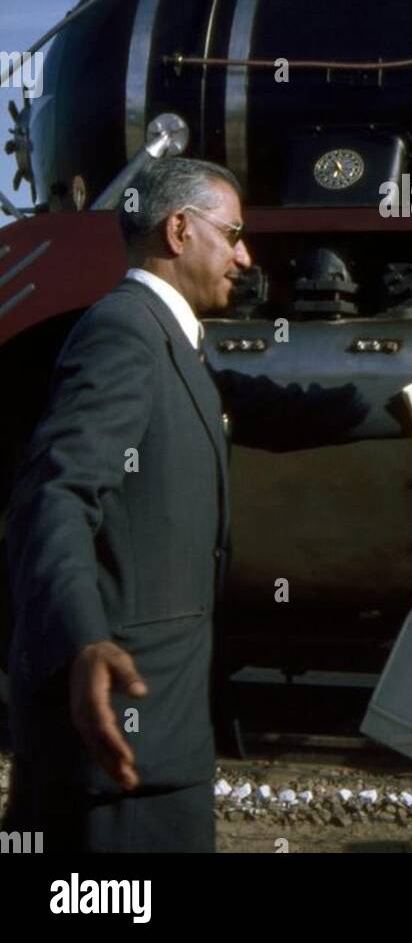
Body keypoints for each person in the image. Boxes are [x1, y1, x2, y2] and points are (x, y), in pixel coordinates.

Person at [2, 157, 365, 852]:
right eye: (231, 234)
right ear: (178, 230)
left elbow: (272, 410)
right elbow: (53, 492)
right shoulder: (124, 334)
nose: (244, 255)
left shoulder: (166, 338)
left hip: (154, 734)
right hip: (123, 732)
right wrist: (83, 641)